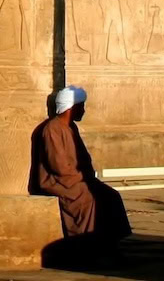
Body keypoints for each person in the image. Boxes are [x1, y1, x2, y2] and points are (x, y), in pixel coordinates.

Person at [28, 85, 131, 250]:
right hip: (58, 182)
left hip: (75, 178)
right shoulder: (52, 129)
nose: (84, 111)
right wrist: (81, 178)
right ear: (71, 108)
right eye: (81, 107)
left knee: (111, 196)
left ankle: (109, 244)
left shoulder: (70, 127)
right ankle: (85, 247)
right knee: (88, 199)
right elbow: (59, 166)